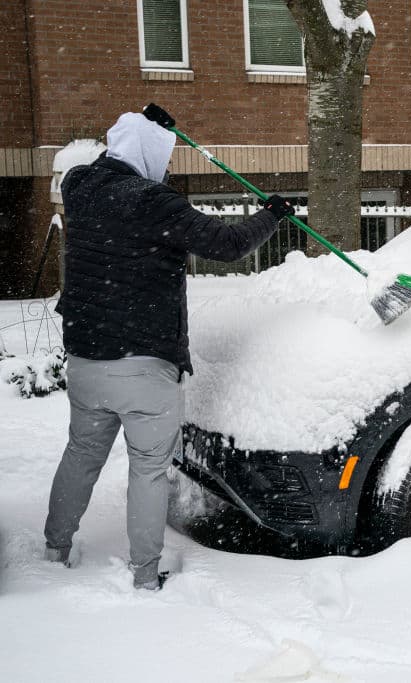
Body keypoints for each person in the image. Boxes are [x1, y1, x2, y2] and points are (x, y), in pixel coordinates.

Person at [43, 112, 295, 590]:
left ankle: (55, 546)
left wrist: (143, 121)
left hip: (85, 360)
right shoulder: (154, 203)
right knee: (148, 470)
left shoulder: (79, 187)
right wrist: (273, 214)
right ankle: (144, 574)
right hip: (143, 363)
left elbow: (113, 159)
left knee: (80, 454)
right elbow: (227, 244)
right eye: (162, 156)